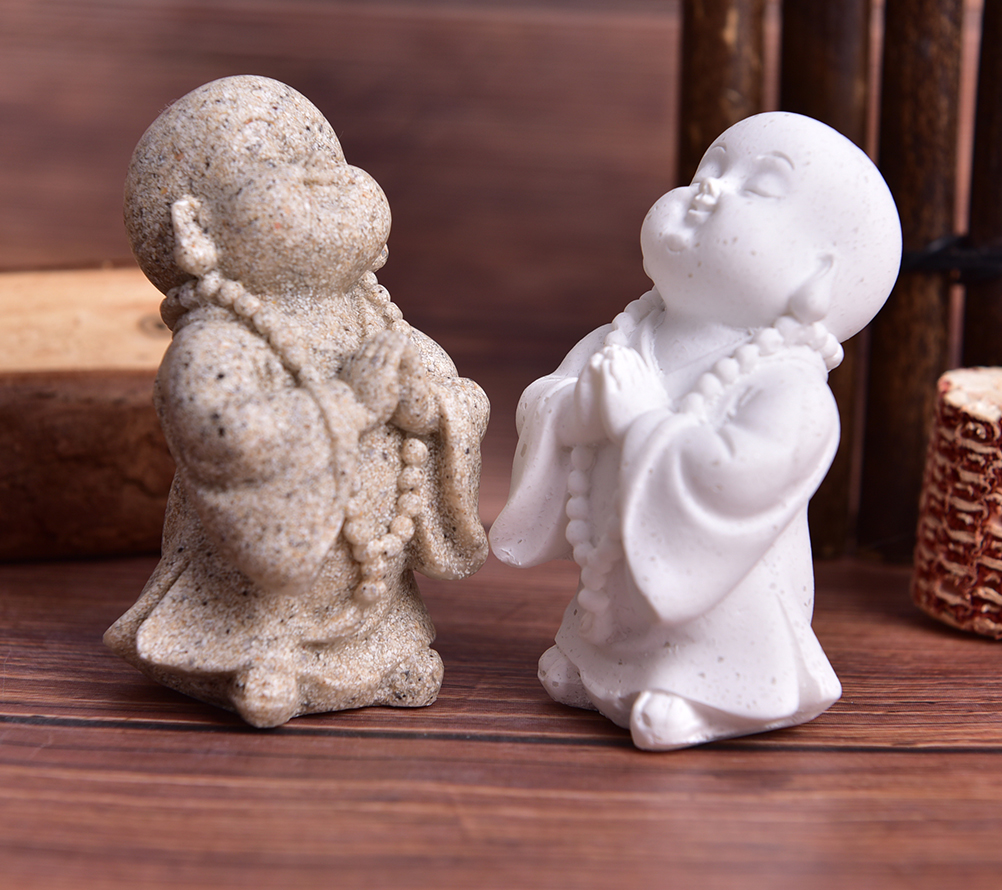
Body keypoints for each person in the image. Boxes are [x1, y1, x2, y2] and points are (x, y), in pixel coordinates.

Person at [490, 112, 901, 750]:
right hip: (614, 580)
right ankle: (601, 661)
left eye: (757, 188)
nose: (709, 187)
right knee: (611, 601)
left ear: (818, 274)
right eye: (710, 168)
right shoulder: (626, 335)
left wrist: (639, 420)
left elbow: (734, 478)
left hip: (721, 603)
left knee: (709, 612)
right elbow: (545, 403)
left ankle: (706, 688)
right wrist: (575, 414)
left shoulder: (787, 386)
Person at [106, 76, 488, 728]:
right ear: (197, 227)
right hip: (254, 592)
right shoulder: (219, 342)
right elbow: (227, 433)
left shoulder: (373, 315)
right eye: (275, 162)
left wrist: (434, 412)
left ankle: (379, 645)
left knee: (377, 597)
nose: (327, 178)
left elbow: (458, 396)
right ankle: (258, 655)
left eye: (330, 159)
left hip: (371, 575)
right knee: (262, 598)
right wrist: (349, 403)